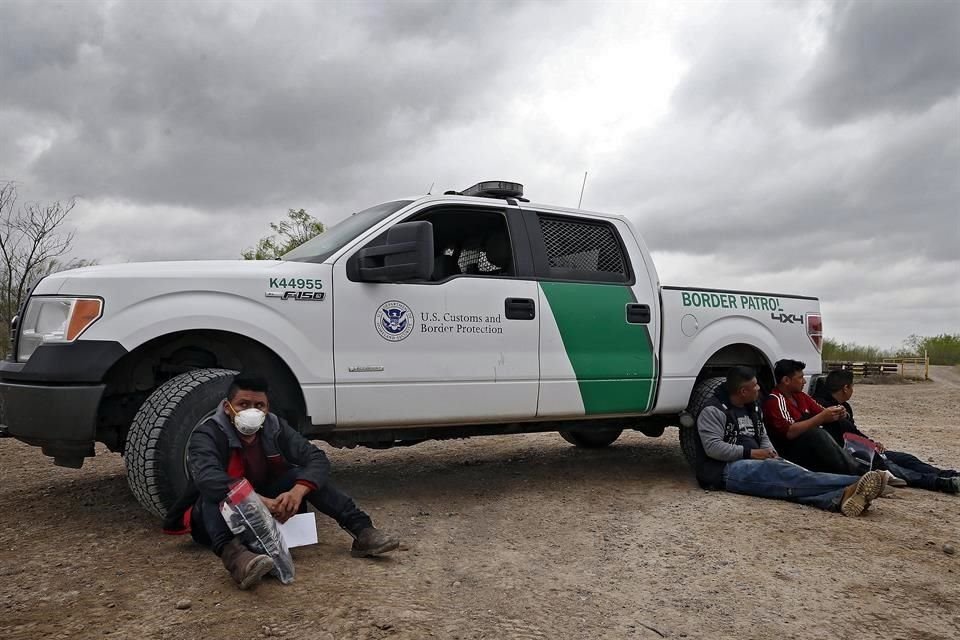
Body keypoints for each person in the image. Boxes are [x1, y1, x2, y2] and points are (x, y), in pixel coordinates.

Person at [163, 375, 400, 589]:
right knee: (212, 494)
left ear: (267, 409)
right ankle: (237, 559)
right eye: (243, 405)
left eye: (259, 406)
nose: (252, 411)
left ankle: (363, 531)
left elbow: (316, 458)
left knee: (302, 476)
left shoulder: (275, 427)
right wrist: (258, 502)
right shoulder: (207, 435)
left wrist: (297, 492)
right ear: (228, 408)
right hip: (219, 517)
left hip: (269, 505)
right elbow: (207, 478)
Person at [695, 366, 888, 516]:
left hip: (755, 459)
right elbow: (713, 448)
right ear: (742, 391)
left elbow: (761, 435)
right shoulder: (713, 411)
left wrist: (769, 452)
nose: (759, 388)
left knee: (791, 479)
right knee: (787, 475)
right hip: (726, 470)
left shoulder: (751, 407)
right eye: (754, 386)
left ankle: (840, 497)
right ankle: (855, 482)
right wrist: (752, 454)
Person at [814, 369, 959, 494]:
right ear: (845, 388)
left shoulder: (845, 407)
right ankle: (940, 482)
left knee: (907, 459)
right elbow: (847, 433)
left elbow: (854, 431)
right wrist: (869, 444)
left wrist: (872, 443)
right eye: (852, 387)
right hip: (854, 455)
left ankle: (949, 475)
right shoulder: (825, 408)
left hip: (866, 448)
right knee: (895, 469)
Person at [762, 359, 861, 475]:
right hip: (790, 451)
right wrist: (821, 418)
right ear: (786, 380)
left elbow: (822, 412)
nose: (804, 381)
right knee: (817, 433)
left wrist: (838, 413)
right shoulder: (775, 400)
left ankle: (866, 458)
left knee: (837, 424)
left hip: (808, 448)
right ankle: (857, 471)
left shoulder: (800, 396)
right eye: (800, 378)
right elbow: (789, 432)